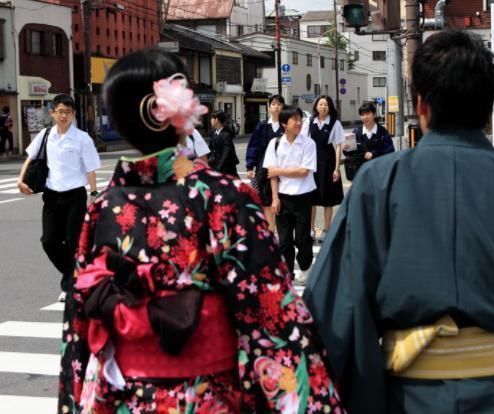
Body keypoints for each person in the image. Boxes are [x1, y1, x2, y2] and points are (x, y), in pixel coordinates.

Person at [304, 30, 494, 414]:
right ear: (487, 104)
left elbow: (333, 311)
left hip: (409, 399)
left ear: (421, 105)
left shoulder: (376, 183)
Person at [58, 49, 344, 414]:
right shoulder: (224, 197)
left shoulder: (101, 211)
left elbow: (78, 327)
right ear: (181, 112)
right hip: (206, 398)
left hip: (118, 399)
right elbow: (271, 318)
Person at [17, 94, 101, 302]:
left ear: (73, 115)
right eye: (60, 111)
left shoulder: (82, 138)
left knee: (73, 242)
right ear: (52, 113)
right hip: (52, 196)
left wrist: (93, 194)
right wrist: (20, 180)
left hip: (75, 196)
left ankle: (68, 284)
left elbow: (91, 169)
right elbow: (31, 157)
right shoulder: (46, 135)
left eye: (68, 112)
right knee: (49, 240)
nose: (64, 116)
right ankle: (74, 276)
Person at [264, 105, 316, 286]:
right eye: (294, 119)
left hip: (303, 196)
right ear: (284, 123)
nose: (299, 122)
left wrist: (279, 170)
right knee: (284, 240)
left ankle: (305, 267)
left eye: (300, 119)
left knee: (302, 238)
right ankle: (287, 272)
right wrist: (275, 198)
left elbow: (303, 171)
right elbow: (272, 175)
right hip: (283, 197)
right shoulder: (275, 144)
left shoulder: (309, 144)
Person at [301, 95, 344, 243]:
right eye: (320, 104)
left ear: (330, 107)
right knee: (311, 199)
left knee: (328, 199)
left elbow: (338, 146)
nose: (323, 107)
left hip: (328, 162)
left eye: (326, 104)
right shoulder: (309, 121)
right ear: (316, 107)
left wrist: (337, 168)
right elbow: (302, 142)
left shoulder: (335, 123)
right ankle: (311, 230)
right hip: (311, 163)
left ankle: (326, 230)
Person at [245, 94, 285, 231]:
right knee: (266, 201)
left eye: (279, 104)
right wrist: (250, 166)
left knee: (281, 200)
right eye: (273, 104)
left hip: (283, 169)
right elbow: (253, 146)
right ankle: (271, 233)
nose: (276, 107)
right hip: (263, 169)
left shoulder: (286, 126)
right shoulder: (262, 126)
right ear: (269, 107)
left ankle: (281, 233)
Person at [343, 102, 394, 180]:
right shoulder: (356, 132)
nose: (365, 117)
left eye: (367, 114)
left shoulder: (382, 132)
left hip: (379, 173)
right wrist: (346, 149)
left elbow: (390, 151)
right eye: (362, 115)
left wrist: (373, 154)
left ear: (374, 114)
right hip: (360, 173)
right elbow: (351, 154)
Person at [208, 110, 239, 177]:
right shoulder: (213, 133)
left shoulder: (226, 135)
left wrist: (219, 168)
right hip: (215, 165)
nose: (210, 120)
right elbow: (210, 150)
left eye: (212, 118)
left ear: (216, 120)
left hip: (226, 168)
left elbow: (226, 153)